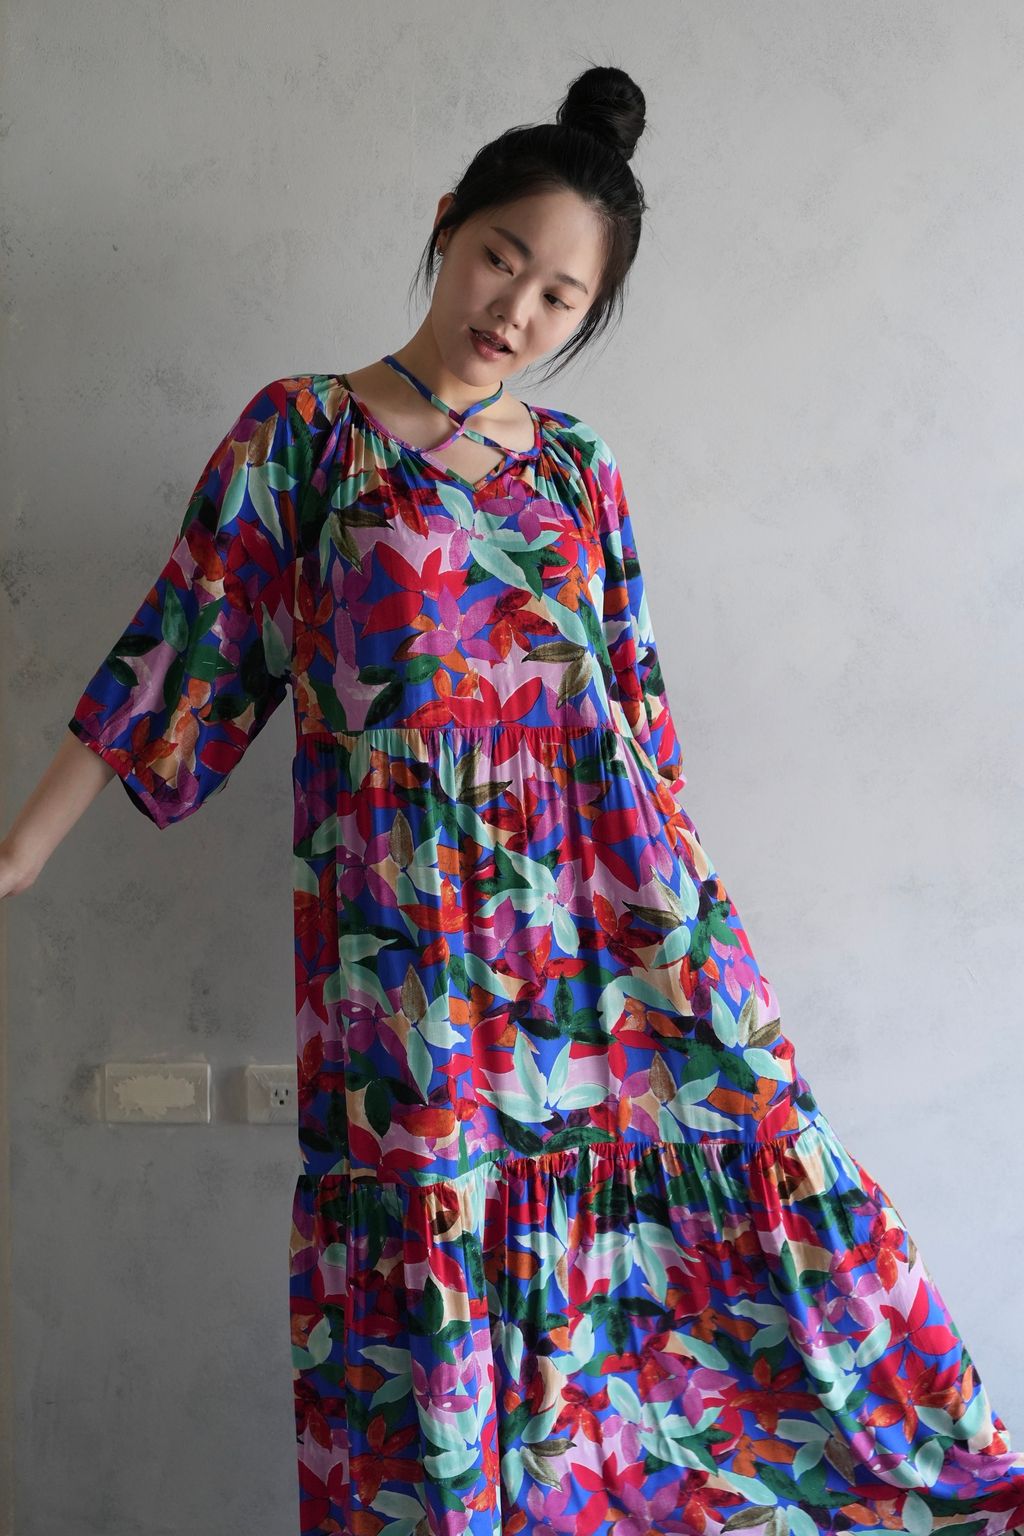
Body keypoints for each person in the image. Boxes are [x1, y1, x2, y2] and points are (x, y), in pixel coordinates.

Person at [4, 61, 1023, 1536]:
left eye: (559, 296)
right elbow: (182, 650)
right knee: (434, 1233)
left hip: (610, 917)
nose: (515, 310)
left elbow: (637, 719)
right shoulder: (305, 435)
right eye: (501, 258)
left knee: (742, 1168)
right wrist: (23, 850)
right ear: (447, 223)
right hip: (407, 934)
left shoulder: (579, 471)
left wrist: (697, 924)